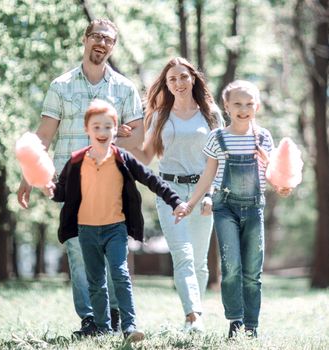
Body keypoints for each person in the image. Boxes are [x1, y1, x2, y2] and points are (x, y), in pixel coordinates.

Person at [16, 18, 144, 336]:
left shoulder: (125, 89)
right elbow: (44, 134)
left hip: (112, 182)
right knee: (76, 249)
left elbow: (138, 138)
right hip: (71, 182)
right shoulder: (61, 86)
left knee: (114, 253)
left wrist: (117, 140)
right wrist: (27, 176)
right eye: (97, 37)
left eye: (109, 40)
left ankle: (113, 316)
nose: (102, 43)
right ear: (85, 40)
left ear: (113, 47)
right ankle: (89, 319)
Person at [43, 99, 189, 341]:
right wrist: (49, 188)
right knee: (96, 281)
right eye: (96, 127)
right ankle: (102, 326)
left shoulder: (122, 158)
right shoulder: (77, 160)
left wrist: (175, 201)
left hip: (115, 228)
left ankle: (130, 326)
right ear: (86, 129)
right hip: (86, 230)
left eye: (108, 127)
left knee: (120, 274)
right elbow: (61, 193)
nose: (102, 132)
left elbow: (152, 179)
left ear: (116, 129)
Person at [183, 80, 292, 338]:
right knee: (231, 267)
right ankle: (236, 320)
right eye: (237, 104)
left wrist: (282, 187)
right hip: (225, 209)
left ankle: (251, 325)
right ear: (227, 106)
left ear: (257, 106)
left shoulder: (263, 137)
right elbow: (208, 175)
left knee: (253, 269)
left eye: (249, 104)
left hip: (254, 209)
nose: (243, 109)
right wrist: (191, 203)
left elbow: (271, 172)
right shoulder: (217, 137)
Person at [128, 57, 224, 332]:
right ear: (166, 85)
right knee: (182, 254)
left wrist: (210, 194)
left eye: (183, 77)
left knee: (199, 261)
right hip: (170, 192)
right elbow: (146, 156)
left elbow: (220, 158)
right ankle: (193, 315)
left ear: (193, 78)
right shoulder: (159, 116)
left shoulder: (211, 114)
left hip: (202, 190)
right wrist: (121, 140)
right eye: (172, 79)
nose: (179, 83)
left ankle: (194, 315)